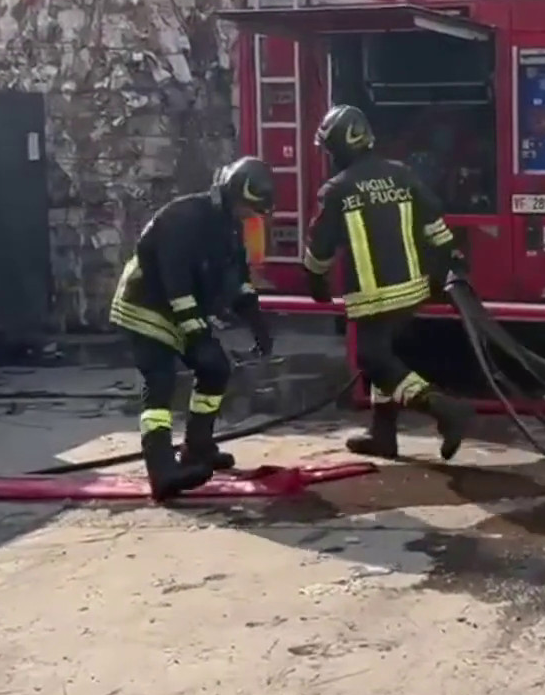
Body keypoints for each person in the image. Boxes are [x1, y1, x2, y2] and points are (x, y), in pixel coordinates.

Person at [303, 104, 473, 462]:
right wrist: (447, 269)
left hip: (373, 295)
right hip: (413, 288)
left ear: (338, 148)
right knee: (383, 356)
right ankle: (383, 436)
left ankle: (444, 410)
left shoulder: (336, 190)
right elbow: (437, 229)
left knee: (373, 359)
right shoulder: (403, 175)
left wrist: (316, 284)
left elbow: (319, 250)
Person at [109, 156, 278, 499]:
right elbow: (177, 283)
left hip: (182, 309)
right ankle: (161, 471)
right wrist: (198, 334)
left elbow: (236, 276)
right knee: (160, 382)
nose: (250, 216)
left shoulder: (229, 227)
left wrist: (255, 317)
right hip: (147, 306)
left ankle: (198, 448)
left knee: (215, 369)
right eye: (247, 207)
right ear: (230, 195)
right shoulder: (184, 219)